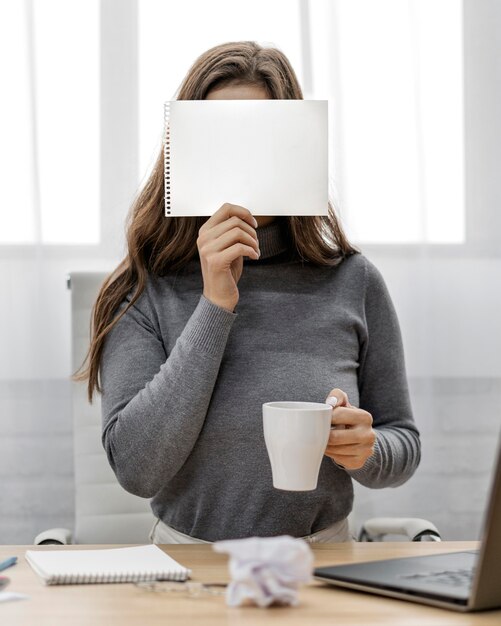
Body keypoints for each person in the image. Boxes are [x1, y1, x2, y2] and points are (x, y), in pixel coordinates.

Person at [78, 41, 420, 544]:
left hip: (322, 566)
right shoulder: (142, 288)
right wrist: (215, 305)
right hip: (188, 569)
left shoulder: (353, 280)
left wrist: (368, 450)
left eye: (263, 140)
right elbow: (136, 468)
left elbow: (402, 443)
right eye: (222, 140)